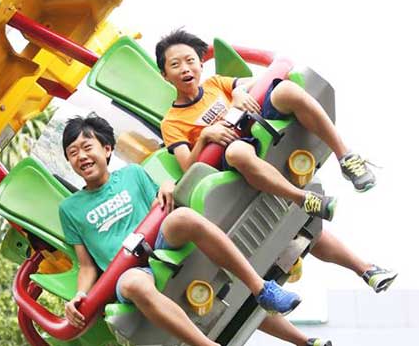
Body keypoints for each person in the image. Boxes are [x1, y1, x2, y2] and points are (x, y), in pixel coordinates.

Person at [156, 28, 396, 294]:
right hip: (232, 161)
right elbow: (188, 166)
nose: (185, 68)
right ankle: (304, 200)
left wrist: (238, 94)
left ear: (201, 64)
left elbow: (252, 85)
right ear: (164, 75)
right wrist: (204, 137)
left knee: (285, 90)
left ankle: (347, 157)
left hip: (261, 136)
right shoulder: (172, 122)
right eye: (175, 65)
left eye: (190, 61)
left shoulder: (216, 85)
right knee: (243, 159)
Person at [58, 115, 326, 346]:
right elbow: (86, 265)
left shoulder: (132, 174)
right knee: (133, 283)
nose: (81, 156)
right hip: (131, 271)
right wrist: (81, 294)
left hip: (159, 244)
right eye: (72, 152)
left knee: (184, 216)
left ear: (106, 149)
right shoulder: (70, 209)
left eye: (86, 147)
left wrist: (166, 186)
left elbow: (160, 206)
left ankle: (262, 288)